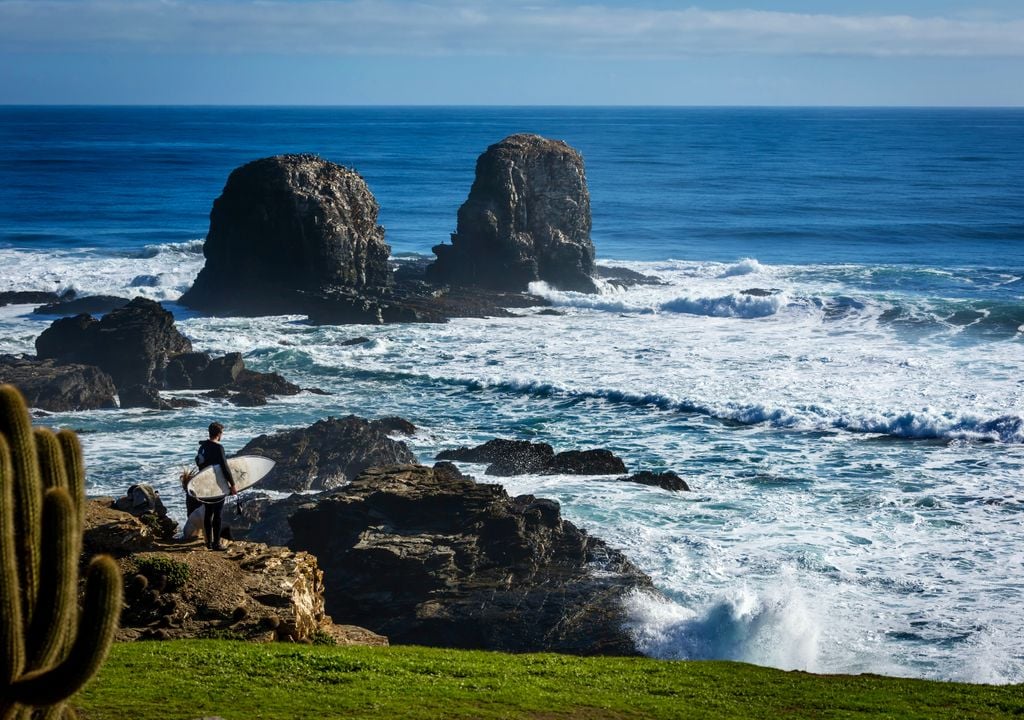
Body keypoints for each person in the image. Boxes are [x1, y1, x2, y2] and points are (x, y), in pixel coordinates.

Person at [193, 421, 237, 551]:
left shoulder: (202, 447)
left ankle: (208, 543)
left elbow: (200, 464)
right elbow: (224, 467)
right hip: (216, 485)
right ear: (219, 434)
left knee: (208, 513)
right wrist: (232, 484)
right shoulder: (218, 448)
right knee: (217, 514)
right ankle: (216, 544)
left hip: (205, 484)